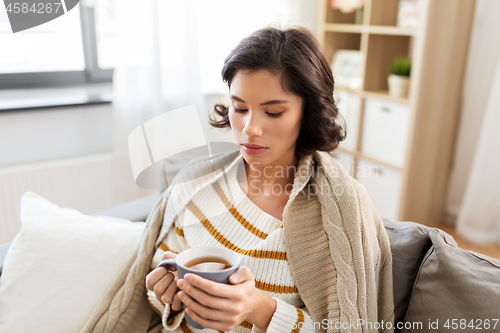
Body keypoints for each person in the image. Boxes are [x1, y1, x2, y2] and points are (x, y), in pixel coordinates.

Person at [145, 26, 394, 333]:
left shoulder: (342, 211)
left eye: (273, 112)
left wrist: (260, 309)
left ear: (308, 113)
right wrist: (167, 294)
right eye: (239, 108)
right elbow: (155, 292)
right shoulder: (196, 185)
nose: (249, 129)